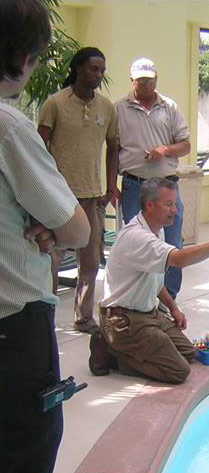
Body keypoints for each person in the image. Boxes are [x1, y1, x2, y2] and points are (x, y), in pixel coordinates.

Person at [0, 1, 91, 472]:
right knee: (28, 443)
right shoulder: (9, 126)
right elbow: (77, 229)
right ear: (22, 59)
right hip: (13, 322)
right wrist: (53, 226)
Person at [88, 177, 209, 384]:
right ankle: (113, 353)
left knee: (189, 353)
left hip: (148, 314)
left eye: (174, 204)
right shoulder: (137, 237)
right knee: (178, 371)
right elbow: (179, 260)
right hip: (123, 320)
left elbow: (155, 281)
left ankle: (130, 346)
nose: (175, 210)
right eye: (169, 204)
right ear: (150, 205)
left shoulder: (156, 230)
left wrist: (173, 308)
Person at [38, 47, 119, 334]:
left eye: (102, 70)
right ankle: (45, 317)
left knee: (91, 260)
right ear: (78, 69)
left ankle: (83, 317)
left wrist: (111, 186)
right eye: (93, 69)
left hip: (93, 196)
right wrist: (45, 185)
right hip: (59, 196)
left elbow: (114, 148)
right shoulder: (55, 103)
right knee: (52, 261)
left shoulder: (107, 107)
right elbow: (39, 146)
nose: (98, 75)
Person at [115, 57, 190, 300]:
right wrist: (110, 185)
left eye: (149, 80)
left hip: (166, 186)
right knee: (137, 242)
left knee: (172, 242)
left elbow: (185, 145)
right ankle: (141, 296)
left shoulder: (169, 107)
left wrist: (164, 150)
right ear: (132, 81)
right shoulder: (119, 108)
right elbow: (112, 148)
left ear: (156, 80)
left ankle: (170, 299)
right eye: (140, 81)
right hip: (133, 185)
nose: (145, 85)